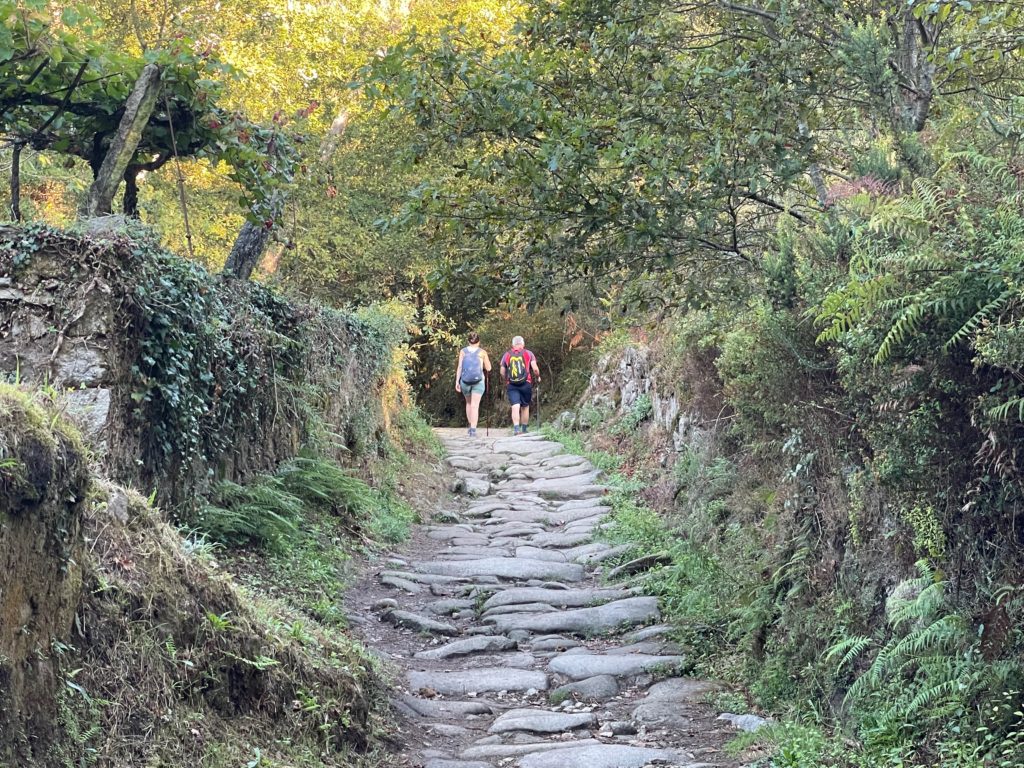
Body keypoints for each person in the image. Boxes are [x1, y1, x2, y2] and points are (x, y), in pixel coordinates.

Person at [500, 335, 541, 435]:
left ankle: (516, 429)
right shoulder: (529, 353)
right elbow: (535, 369)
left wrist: (506, 379)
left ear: (513, 344)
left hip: (512, 384)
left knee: (515, 405)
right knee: (525, 406)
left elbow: (502, 371)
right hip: (526, 383)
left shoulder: (507, 355)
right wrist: (538, 376)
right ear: (523, 344)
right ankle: (524, 429)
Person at [455, 332, 491, 436]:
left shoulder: (463, 351)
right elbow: (488, 368)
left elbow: (460, 367)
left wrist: (457, 381)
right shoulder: (482, 352)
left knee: (469, 403)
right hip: (478, 381)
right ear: (478, 342)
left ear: (468, 341)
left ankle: (470, 426)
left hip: (465, 381)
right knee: (475, 405)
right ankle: (473, 430)